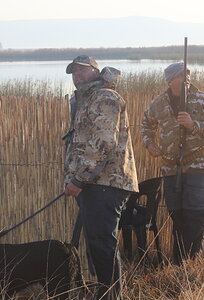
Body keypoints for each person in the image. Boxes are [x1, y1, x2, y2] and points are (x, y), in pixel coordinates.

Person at [63, 55, 139, 300]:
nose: (77, 75)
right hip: (94, 184)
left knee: (103, 243)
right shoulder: (86, 100)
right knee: (98, 242)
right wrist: (73, 176)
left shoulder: (105, 97)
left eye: (82, 70)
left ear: (95, 71)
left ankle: (110, 295)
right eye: (73, 71)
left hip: (107, 183)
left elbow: (104, 143)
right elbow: (79, 144)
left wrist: (79, 179)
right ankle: (106, 292)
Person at [141, 62, 204, 265]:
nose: (187, 79)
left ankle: (193, 262)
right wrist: (150, 144)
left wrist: (194, 125)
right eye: (181, 76)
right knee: (176, 212)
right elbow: (146, 125)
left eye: (188, 75)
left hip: (197, 163)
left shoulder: (202, 99)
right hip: (170, 167)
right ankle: (179, 261)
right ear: (170, 81)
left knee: (195, 212)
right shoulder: (158, 103)